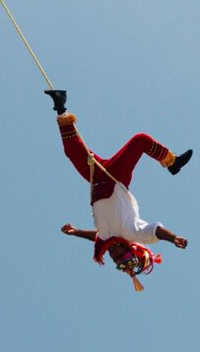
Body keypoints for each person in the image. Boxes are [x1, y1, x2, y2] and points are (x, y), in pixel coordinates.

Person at [47, 89, 192, 290]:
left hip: (96, 179)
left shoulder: (106, 236)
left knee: (72, 152)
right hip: (115, 177)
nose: (114, 255)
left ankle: (60, 106)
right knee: (140, 140)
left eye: (115, 261)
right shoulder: (133, 233)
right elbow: (156, 231)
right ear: (132, 249)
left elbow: (95, 236)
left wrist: (75, 232)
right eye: (122, 256)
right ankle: (172, 162)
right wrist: (173, 238)